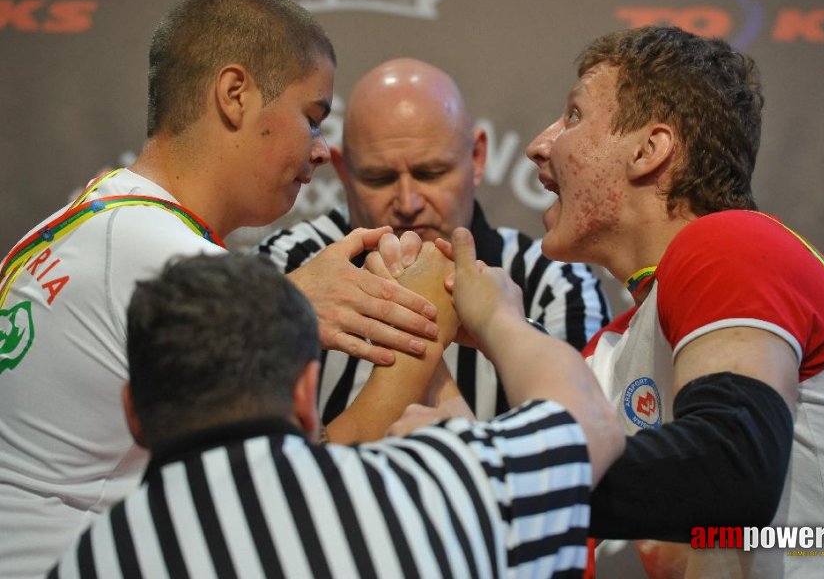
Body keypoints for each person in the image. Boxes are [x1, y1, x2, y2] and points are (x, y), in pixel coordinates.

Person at [0, 0, 439, 576]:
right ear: (235, 95)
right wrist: (427, 309)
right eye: (312, 118)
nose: (320, 152)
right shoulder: (167, 259)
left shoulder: (103, 212)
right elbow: (286, 497)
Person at [523, 25, 824, 577]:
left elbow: (729, 472)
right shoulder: (613, 346)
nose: (541, 144)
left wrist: (492, 476)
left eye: (574, 116)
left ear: (649, 149)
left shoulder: (732, 242)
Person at [49, 246, 624, 578]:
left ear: (133, 411)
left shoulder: (88, 562)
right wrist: (494, 317)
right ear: (306, 394)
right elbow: (589, 424)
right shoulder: (426, 488)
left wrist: (423, 347)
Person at [258, 58, 610, 423]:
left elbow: (579, 442)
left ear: (476, 158)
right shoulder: (288, 264)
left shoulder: (554, 283)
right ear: (344, 172)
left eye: (431, 173)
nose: (408, 203)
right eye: (379, 178)